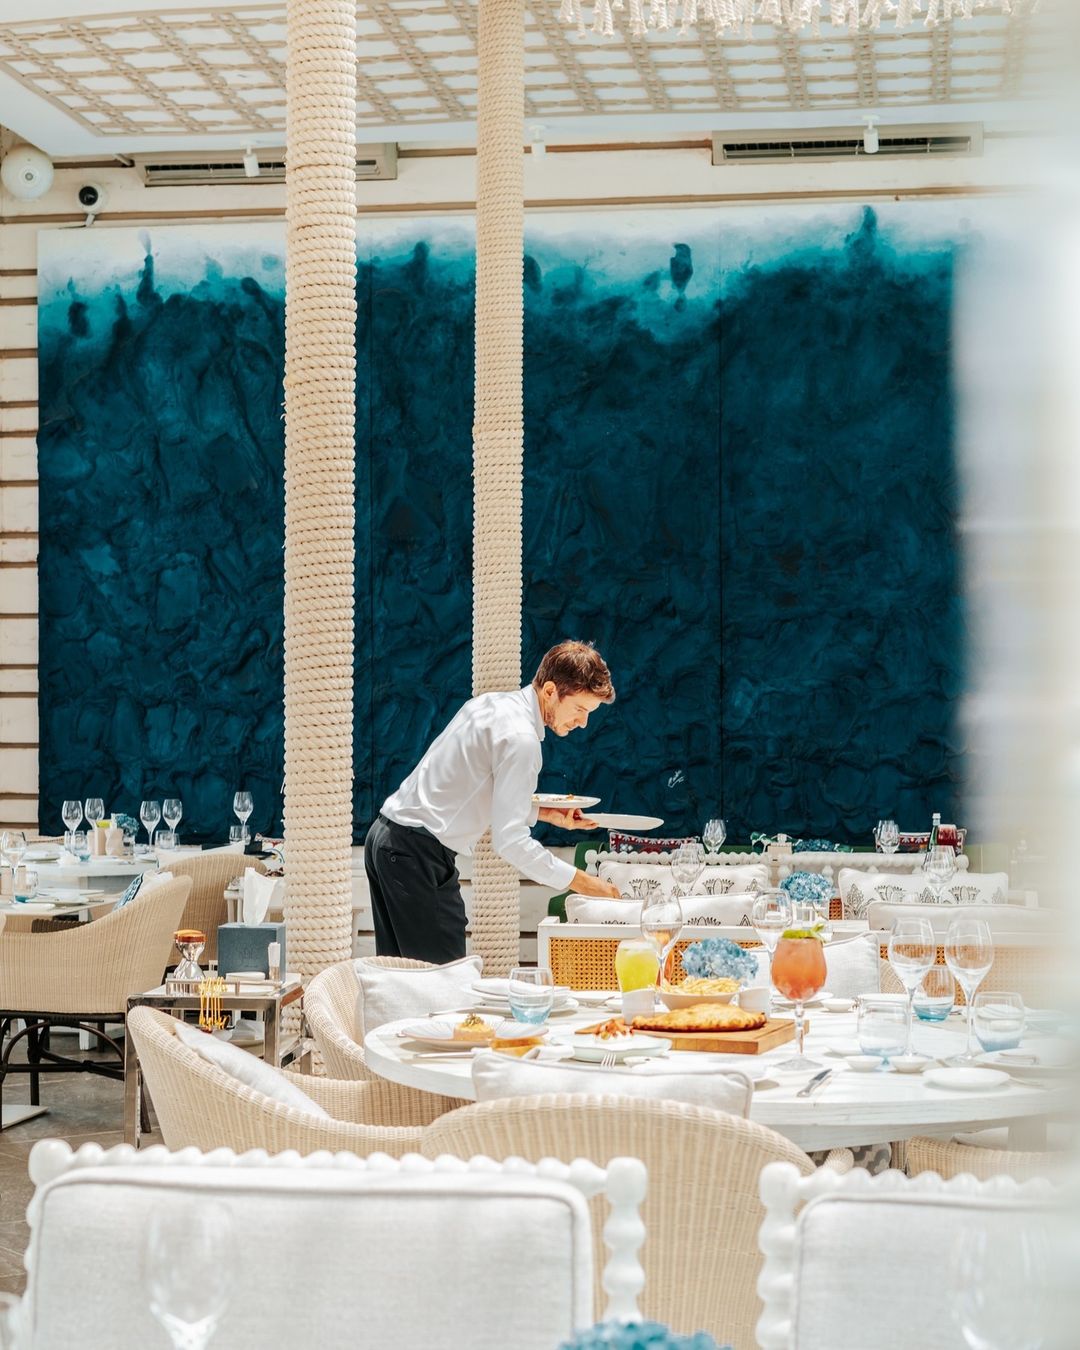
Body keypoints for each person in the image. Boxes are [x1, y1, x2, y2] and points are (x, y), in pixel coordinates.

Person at [365, 640, 622, 962]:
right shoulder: (522, 740)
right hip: (416, 855)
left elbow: (470, 785)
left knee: (399, 977)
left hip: (386, 840)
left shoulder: (490, 704)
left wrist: (543, 812)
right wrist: (582, 882)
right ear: (550, 691)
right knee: (446, 979)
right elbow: (510, 841)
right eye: (580, 709)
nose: (583, 723)